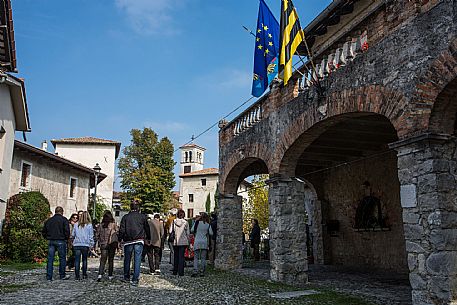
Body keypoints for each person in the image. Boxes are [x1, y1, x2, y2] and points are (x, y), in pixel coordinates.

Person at [118, 201, 150, 286]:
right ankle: (135, 278)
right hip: (139, 240)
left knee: (127, 259)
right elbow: (147, 228)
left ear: (130, 207)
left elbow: (122, 230)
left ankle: (126, 277)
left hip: (128, 241)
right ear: (138, 208)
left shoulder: (125, 217)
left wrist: (119, 239)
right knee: (137, 259)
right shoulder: (142, 217)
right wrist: (148, 238)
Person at [42, 206, 71, 281]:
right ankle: (62, 275)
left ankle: (49, 276)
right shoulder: (64, 220)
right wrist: (66, 238)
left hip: (51, 240)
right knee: (62, 259)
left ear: (55, 211)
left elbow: (44, 231)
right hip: (61, 240)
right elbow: (67, 231)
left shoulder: (49, 221)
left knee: (50, 259)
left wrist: (47, 237)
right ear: (62, 212)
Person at [96, 210, 118, 281]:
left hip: (103, 244)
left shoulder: (100, 225)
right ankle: (110, 275)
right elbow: (117, 233)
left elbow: (97, 235)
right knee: (110, 260)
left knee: (103, 260)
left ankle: (100, 274)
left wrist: (99, 242)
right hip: (112, 244)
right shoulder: (113, 225)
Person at [72, 211, 94, 280]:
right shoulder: (89, 225)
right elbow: (91, 236)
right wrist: (91, 244)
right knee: (84, 260)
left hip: (77, 244)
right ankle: (84, 274)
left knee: (77, 260)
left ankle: (77, 275)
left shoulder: (76, 224)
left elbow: (73, 234)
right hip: (85, 244)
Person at [191, 213, 213, 277]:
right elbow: (211, 233)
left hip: (197, 241)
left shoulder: (197, 223)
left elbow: (192, 230)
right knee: (203, 258)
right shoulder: (208, 225)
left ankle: (195, 271)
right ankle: (202, 272)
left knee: (196, 258)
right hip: (204, 242)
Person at [171, 209, 190, 276]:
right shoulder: (186, 222)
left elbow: (171, 231)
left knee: (176, 256)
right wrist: (189, 242)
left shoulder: (174, 221)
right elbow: (188, 233)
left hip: (176, 241)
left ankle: (175, 271)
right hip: (183, 241)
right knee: (181, 257)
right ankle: (181, 272)